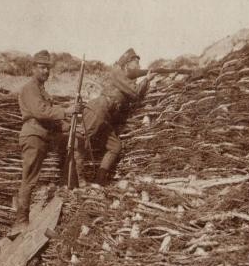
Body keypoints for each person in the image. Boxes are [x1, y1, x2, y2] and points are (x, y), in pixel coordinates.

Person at [9, 50, 82, 237]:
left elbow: (51, 119)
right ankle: (20, 221)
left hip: (43, 135)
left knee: (72, 144)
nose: (45, 71)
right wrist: (66, 111)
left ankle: (72, 188)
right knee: (29, 178)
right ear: (33, 68)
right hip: (33, 135)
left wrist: (70, 125)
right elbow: (41, 112)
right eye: (42, 67)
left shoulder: (42, 91)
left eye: (48, 68)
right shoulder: (30, 88)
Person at [74, 48, 152, 187]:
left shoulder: (127, 79)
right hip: (97, 110)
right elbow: (135, 93)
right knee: (82, 142)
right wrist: (146, 79)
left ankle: (100, 179)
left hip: (106, 116)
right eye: (136, 62)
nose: (139, 66)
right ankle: (76, 179)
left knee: (115, 146)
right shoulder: (118, 73)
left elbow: (134, 97)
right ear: (126, 64)